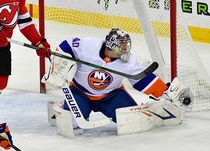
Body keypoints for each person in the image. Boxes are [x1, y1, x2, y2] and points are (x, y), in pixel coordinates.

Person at [45, 28, 191, 128]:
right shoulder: (89, 46)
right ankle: (59, 107)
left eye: (126, 44)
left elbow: (143, 80)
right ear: (111, 45)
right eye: (122, 45)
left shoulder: (129, 61)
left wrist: (163, 92)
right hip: (80, 92)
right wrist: (58, 64)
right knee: (71, 124)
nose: (125, 48)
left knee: (134, 122)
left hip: (111, 96)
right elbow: (67, 45)